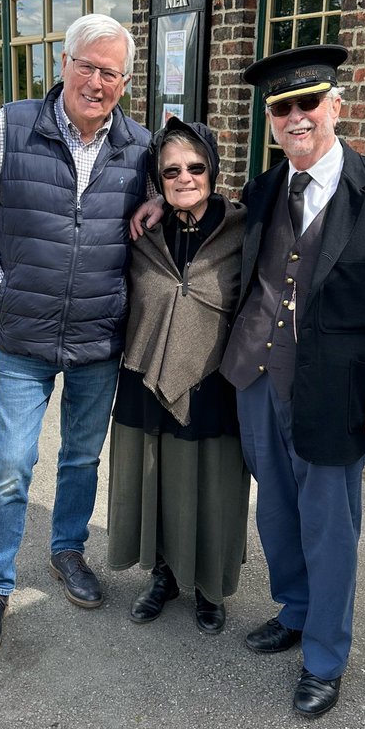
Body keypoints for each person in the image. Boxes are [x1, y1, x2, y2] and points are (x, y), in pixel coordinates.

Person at [218, 44, 365, 716]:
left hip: (339, 392)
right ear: (271, 121)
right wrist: (159, 209)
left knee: (330, 527)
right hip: (257, 377)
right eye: (282, 108)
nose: (296, 117)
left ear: (336, 106)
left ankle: (326, 656)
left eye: (308, 102)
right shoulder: (263, 189)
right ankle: (296, 610)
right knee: (277, 510)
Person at [0, 14, 152, 660]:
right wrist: (6, 305)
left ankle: (68, 550)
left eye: (110, 72)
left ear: (126, 82)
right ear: (62, 64)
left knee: (81, 458)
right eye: (86, 66)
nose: (97, 82)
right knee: (12, 461)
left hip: (98, 340)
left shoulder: (141, 148)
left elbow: (179, 209)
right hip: (22, 343)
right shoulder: (10, 127)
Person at [107, 117, 248, 635]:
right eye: (171, 171)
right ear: (158, 180)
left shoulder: (243, 230)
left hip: (216, 381)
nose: (184, 178)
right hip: (145, 374)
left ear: (213, 169)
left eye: (195, 167)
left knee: (214, 486)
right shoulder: (144, 232)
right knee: (155, 481)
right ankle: (163, 575)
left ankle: (210, 586)